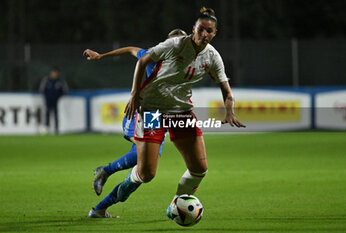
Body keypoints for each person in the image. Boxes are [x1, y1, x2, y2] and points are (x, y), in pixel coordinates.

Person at [88, 7, 245, 218]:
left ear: (214, 33)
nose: (204, 34)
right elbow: (140, 58)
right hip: (152, 110)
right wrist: (134, 94)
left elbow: (226, 90)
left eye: (209, 31)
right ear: (194, 29)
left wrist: (230, 111)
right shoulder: (173, 45)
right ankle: (100, 207)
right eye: (200, 29)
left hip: (181, 112)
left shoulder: (212, 57)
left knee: (200, 169)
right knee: (146, 173)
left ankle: (176, 206)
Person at [83, 29, 188, 198]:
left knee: (145, 162)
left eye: (181, 42)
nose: (177, 46)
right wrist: (101, 56)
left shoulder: (184, 65)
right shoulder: (153, 57)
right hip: (140, 113)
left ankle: (102, 198)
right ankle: (105, 173)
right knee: (141, 155)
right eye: (174, 42)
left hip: (157, 117)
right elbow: (132, 49)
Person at [39, 66, 68, 134]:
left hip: (56, 101)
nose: (54, 74)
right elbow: (42, 89)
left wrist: (59, 96)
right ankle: (46, 128)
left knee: (56, 115)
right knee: (47, 114)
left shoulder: (60, 81)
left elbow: (65, 90)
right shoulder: (46, 80)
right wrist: (46, 97)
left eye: (55, 73)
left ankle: (56, 129)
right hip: (48, 100)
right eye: (53, 72)